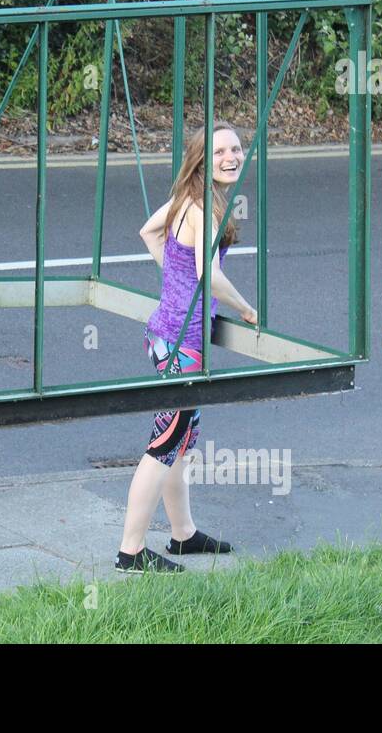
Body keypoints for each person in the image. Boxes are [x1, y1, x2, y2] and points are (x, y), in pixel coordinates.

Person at [116, 120, 258, 573]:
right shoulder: (201, 208)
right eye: (219, 152)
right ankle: (130, 552)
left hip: (168, 332)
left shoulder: (190, 199)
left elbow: (148, 232)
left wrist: (173, 279)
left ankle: (183, 535)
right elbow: (207, 274)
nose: (231, 157)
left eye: (236, 148)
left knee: (181, 441)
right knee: (165, 443)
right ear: (202, 158)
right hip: (181, 342)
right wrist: (245, 308)